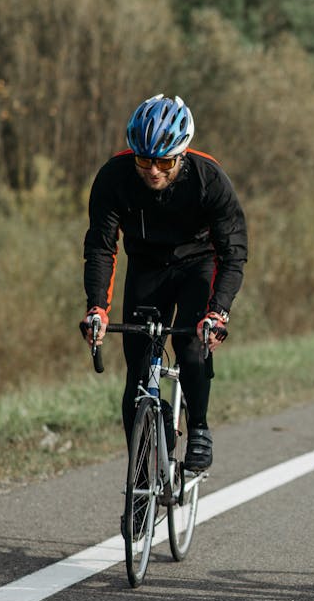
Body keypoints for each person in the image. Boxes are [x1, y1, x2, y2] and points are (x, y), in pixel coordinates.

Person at [80, 94, 248, 472]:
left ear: (182, 154)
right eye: (144, 160)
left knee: (190, 345)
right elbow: (102, 249)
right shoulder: (114, 178)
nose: (153, 170)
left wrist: (217, 313)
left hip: (199, 264)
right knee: (137, 378)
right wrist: (97, 309)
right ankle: (140, 481)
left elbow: (233, 253)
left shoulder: (210, 179)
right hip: (147, 266)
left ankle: (200, 428)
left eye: (164, 161)